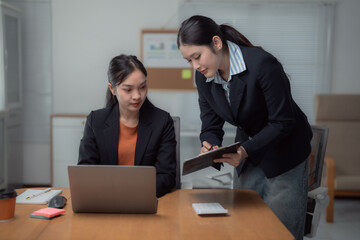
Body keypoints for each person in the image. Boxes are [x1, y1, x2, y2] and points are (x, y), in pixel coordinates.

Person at [177, 15, 312, 239]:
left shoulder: (263, 65)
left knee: (281, 230)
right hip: (250, 152)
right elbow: (210, 121)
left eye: (197, 57)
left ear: (217, 43)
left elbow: (283, 122)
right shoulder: (204, 77)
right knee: (246, 226)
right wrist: (210, 144)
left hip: (286, 151)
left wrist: (245, 150)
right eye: (188, 61)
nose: (195, 66)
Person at [78, 54, 177, 198]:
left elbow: (166, 176)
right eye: (128, 90)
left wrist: (129, 193)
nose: (137, 96)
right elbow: (85, 172)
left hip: (145, 200)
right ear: (112, 89)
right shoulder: (95, 121)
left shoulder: (162, 121)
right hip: (105, 201)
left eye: (142, 87)